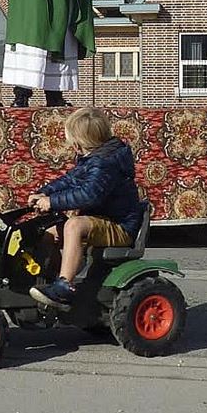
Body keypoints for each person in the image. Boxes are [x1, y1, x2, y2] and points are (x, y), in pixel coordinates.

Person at [27, 107, 142, 310]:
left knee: (74, 226)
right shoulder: (94, 157)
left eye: (73, 140)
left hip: (119, 226)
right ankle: (50, 279)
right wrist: (44, 192)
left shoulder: (105, 163)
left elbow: (89, 194)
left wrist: (52, 202)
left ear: (81, 142)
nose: (72, 145)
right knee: (47, 234)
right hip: (101, 220)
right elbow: (71, 179)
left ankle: (64, 287)